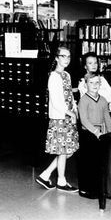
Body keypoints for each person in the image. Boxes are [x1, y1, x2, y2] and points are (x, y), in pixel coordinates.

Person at [35, 46, 79, 192]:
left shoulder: (66, 74)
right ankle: (61, 181)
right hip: (60, 118)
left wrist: (74, 109)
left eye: (68, 56)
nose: (66, 59)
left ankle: (45, 175)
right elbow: (56, 101)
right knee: (63, 151)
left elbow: (70, 96)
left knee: (68, 151)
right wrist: (70, 113)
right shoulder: (54, 76)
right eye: (63, 56)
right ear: (56, 58)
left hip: (68, 116)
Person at [78, 72, 111, 199]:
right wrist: (96, 132)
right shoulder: (84, 100)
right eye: (91, 82)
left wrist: (110, 133)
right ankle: (85, 189)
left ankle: (97, 188)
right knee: (87, 162)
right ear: (85, 84)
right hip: (87, 133)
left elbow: (107, 117)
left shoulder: (103, 100)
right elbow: (84, 120)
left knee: (98, 162)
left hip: (100, 134)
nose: (94, 85)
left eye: (97, 82)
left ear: (100, 84)